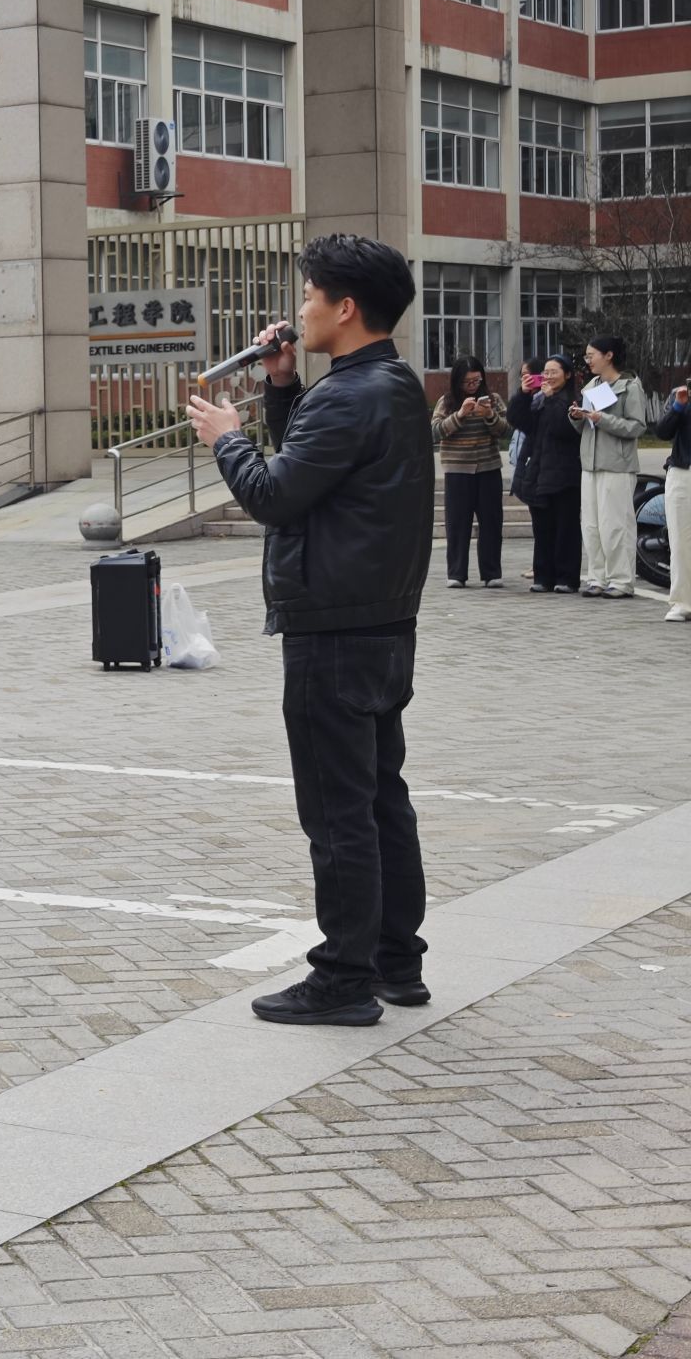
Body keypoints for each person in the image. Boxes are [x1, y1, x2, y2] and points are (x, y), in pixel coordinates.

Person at [187, 232, 431, 1028]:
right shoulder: (392, 384)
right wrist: (284, 385)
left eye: (309, 296)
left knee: (337, 810)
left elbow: (276, 494)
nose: (300, 309)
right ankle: (396, 960)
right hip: (384, 623)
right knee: (381, 796)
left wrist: (227, 435)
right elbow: (324, 470)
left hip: (332, 630)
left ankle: (343, 977)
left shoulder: (349, 396)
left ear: (345, 307)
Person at [570, 333, 648, 599]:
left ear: (609, 356)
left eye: (591, 355)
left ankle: (621, 580)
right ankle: (597, 578)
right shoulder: (591, 386)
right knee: (591, 525)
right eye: (586, 356)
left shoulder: (630, 386)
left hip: (617, 465)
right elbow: (585, 428)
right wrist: (578, 417)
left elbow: (637, 427)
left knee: (615, 524)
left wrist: (601, 419)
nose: (588, 360)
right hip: (590, 464)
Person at [429, 353, 510, 590]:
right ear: (457, 381)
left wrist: (489, 415)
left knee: (491, 522)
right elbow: (434, 432)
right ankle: (457, 573)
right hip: (458, 470)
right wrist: (460, 414)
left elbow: (506, 430)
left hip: (488, 467)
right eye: (467, 382)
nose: (473, 385)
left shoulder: (493, 400)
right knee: (457, 524)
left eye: (476, 380)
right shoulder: (447, 401)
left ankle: (491, 573)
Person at [510, 352, 583, 595]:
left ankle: (567, 578)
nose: (549, 377)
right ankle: (543, 576)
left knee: (566, 529)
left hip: (565, 474)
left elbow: (562, 428)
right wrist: (523, 394)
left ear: (568, 375)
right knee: (542, 529)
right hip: (539, 472)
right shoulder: (538, 400)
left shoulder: (574, 400)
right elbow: (518, 421)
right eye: (546, 372)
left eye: (554, 372)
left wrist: (551, 399)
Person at [659, 373, 691, 622]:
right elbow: (662, 431)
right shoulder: (681, 396)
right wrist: (679, 406)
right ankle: (682, 602)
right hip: (682, 471)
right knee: (680, 540)